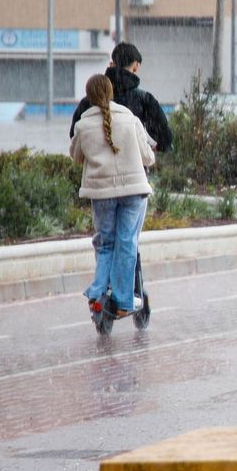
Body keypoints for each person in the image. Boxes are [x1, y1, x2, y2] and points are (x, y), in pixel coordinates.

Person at [71, 74, 156, 319]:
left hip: (101, 194)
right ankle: (123, 301)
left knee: (105, 243)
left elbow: (76, 157)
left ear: (89, 96)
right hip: (133, 191)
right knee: (127, 242)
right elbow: (147, 156)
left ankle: (97, 292)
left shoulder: (83, 125)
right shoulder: (130, 119)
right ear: (111, 93)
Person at [70, 41, 172, 154]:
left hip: (97, 169)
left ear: (112, 64)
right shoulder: (145, 99)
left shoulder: (88, 100)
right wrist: (156, 149)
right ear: (136, 66)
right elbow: (164, 137)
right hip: (134, 166)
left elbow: (74, 136)